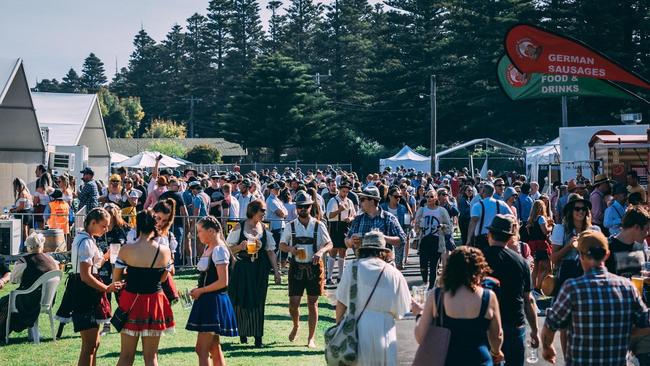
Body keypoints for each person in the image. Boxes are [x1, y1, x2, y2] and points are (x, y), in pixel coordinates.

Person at [542, 231, 650, 366]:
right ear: (607, 255)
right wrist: (624, 333)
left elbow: (550, 325)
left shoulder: (572, 288)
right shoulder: (628, 288)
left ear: (580, 256)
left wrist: (547, 348)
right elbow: (646, 324)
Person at [413, 246, 504, 365]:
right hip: (479, 359)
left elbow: (421, 337)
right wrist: (496, 352)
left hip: (447, 359)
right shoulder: (488, 296)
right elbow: (497, 335)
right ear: (479, 269)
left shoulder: (437, 296)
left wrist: (419, 314)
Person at [335, 230, 411, 366]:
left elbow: (341, 302)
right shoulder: (394, 273)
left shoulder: (352, 267)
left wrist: (339, 326)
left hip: (357, 328)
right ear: (383, 251)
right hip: (385, 329)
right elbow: (402, 311)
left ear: (363, 249)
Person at [113, 211, 175, 366]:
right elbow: (162, 278)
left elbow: (116, 279)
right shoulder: (165, 251)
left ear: (137, 226)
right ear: (155, 225)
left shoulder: (126, 249)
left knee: (126, 356)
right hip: (155, 301)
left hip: (131, 300)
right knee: (151, 357)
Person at [68, 208, 123, 366]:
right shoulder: (85, 242)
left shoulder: (86, 238)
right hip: (85, 292)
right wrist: (106, 288)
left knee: (94, 343)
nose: (106, 230)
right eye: (104, 226)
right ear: (93, 223)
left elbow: (93, 266)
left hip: (87, 290)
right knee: (89, 346)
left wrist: (104, 258)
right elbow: (86, 275)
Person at [483, 214, 539, 366]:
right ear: (509, 237)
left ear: (489, 234)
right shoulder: (521, 262)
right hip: (514, 323)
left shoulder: (479, 259)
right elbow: (529, 299)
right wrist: (535, 330)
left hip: (485, 324)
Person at [279, 191, 333, 348]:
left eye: (305, 206)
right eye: (299, 207)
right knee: (293, 303)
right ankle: (296, 325)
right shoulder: (291, 226)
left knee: (312, 303)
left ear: (311, 207)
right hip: (296, 267)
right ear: (296, 208)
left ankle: (311, 338)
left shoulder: (318, 224)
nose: (302, 209)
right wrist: (291, 249)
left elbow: (329, 243)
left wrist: (320, 252)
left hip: (314, 267)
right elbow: (282, 244)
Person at [226, 199, 281, 348]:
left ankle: (258, 337)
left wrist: (276, 272)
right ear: (254, 211)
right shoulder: (240, 226)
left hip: (259, 269)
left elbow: (270, 252)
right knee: (242, 300)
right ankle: (243, 333)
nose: (264, 213)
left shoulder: (264, 228)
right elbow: (227, 249)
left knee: (258, 301)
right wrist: (240, 247)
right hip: (242, 268)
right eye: (262, 210)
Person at [186, 216, 238, 366]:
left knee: (201, 349)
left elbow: (223, 281)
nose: (198, 234)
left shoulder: (219, 249)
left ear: (210, 231)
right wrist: (199, 290)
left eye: (200, 231)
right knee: (214, 347)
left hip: (213, 301)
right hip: (208, 300)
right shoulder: (211, 247)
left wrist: (201, 290)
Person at [0, 233, 58, 340]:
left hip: (29, 301)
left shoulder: (24, 261)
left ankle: (2, 332)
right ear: (42, 245)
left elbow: (13, 280)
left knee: (4, 302)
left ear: (28, 246)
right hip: (48, 300)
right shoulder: (52, 261)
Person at [345, 186, 406, 257]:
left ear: (372, 201)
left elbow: (402, 239)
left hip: (383, 264)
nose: (359, 203)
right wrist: (351, 241)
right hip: (362, 264)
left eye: (362, 199)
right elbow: (347, 241)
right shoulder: (358, 219)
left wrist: (383, 237)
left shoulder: (388, 218)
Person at [413, 189, 452, 289]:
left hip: (437, 240)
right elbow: (416, 227)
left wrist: (442, 226)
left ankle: (431, 287)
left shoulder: (441, 211)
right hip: (424, 240)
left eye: (431, 197)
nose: (429, 199)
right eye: (427, 197)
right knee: (423, 264)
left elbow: (449, 227)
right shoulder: (422, 210)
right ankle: (425, 281)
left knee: (434, 265)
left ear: (436, 198)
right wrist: (418, 226)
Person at [326, 180, 356, 284]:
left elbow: (354, 214)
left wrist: (350, 218)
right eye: (343, 191)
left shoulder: (349, 201)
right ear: (339, 190)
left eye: (347, 192)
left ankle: (340, 277)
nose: (345, 194)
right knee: (333, 251)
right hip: (335, 226)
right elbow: (329, 215)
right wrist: (339, 210)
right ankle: (329, 277)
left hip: (345, 226)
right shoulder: (333, 201)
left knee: (343, 251)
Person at [466, 183, 510, 253]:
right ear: (493, 192)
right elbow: (511, 218)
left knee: (482, 261)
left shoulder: (477, 205)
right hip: (498, 237)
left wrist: (468, 239)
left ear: (483, 191)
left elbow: (473, 222)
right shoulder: (502, 204)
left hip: (481, 239)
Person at [526, 200, 553, 293]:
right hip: (541, 244)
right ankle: (538, 287)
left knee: (535, 267)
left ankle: (533, 287)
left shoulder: (530, 220)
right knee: (546, 267)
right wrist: (551, 227)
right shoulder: (541, 218)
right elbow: (545, 231)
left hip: (532, 244)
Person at [265, 181, 288, 268]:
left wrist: (284, 213)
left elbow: (285, 212)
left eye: (278, 189)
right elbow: (281, 213)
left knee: (280, 247)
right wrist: (284, 214)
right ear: (271, 190)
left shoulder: (277, 200)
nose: (278, 191)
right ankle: (272, 266)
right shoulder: (270, 200)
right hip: (275, 227)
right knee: (274, 248)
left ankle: (276, 265)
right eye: (276, 189)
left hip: (280, 226)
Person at [10, 178, 33, 242]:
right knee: (26, 231)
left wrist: (13, 210)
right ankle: (27, 246)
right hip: (27, 214)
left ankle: (26, 247)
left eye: (16, 187)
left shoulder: (23, 193)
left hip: (24, 215)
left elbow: (21, 206)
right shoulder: (26, 192)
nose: (16, 189)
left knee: (24, 232)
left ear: (19, 185)